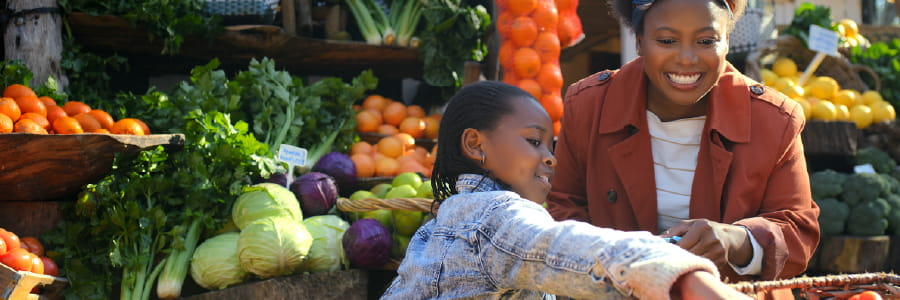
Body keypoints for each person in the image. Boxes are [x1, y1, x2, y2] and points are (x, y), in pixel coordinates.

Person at [547, 0, 820, 297]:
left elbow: (797, 234)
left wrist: (736, 241)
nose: (687, 58)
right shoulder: (588, 106)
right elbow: (561, 208)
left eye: (706, 41)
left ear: (727, 41)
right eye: (666, 41)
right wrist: (622, 263)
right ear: (639, 43)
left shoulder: (774, 120)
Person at [381, 81, 752, 300]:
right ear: (476, 145)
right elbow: (564, 246)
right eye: (533, 141)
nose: (550, 159)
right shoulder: (496, 216)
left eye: (550, 147)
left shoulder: (443, 225)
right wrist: (683, 276)